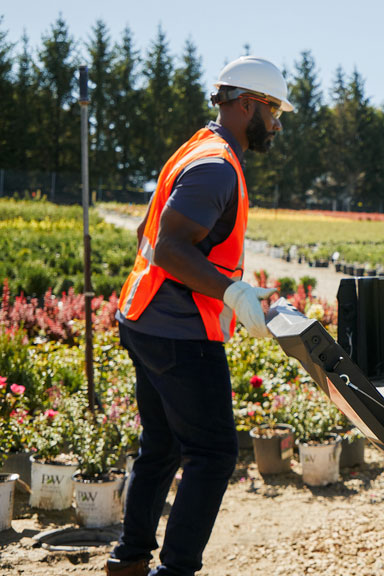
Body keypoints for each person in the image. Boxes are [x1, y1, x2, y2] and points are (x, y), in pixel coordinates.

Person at [106, 56, 293, 576]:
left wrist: (235, 286)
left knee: (162, 444)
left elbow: (147, 233)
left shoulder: (199, 149)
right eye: (274, 111)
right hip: (179, 335)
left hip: (146, 320)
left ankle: (129, 558)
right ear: (248, 104)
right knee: (212, 454)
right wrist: (231, 292)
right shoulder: (215, 166)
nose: (276, 124)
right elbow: (167, 247)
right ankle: (176, 569)